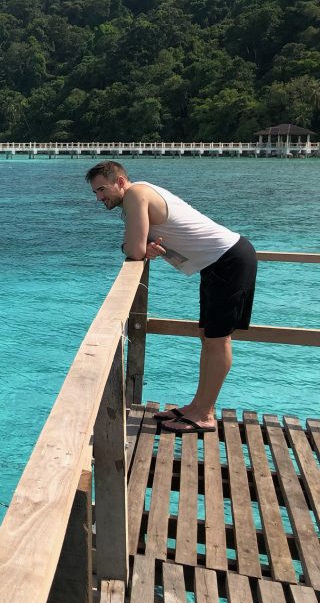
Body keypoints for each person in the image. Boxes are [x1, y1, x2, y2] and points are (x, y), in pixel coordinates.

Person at [85, 160, 257, 434]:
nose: (99, 198)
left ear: (120, 182)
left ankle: (205, 414)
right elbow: (140, 247)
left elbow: (134, 249)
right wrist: (142, 246)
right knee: (207, 335)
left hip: (230, 260)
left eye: (102, 190)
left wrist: (137, 247)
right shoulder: (139, 195)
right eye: (95, 193)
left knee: (218, 340)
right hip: (216, 263)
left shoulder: (135, 195)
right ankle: (197, 406)